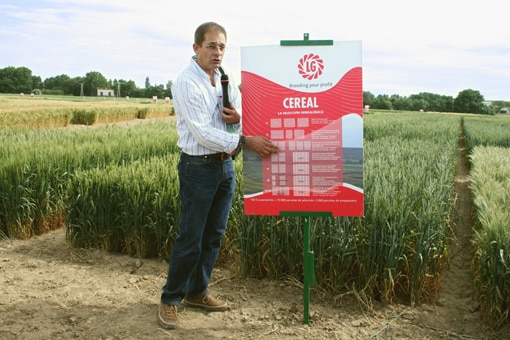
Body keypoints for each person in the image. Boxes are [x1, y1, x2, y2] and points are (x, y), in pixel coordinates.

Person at [158, 22, 279, 329]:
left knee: (214, 236)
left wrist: (239, 120)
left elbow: (236, 116)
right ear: (196, 48)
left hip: (225, 167)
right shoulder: (186, 83)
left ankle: (197, 292)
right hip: (198, 168)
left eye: (222, 46)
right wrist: (244, 140)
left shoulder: (226, 77)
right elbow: (201, 133)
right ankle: (171, 299)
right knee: (191, 237)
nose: (218, 52)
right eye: (211, 46)